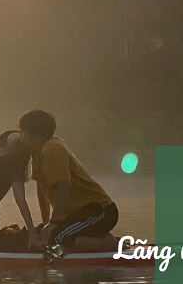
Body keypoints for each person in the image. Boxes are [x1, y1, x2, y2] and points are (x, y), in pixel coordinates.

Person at [18, 109, 119, 256]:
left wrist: (54, 223)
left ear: (37, 136)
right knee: (43, 233)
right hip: (79, 214)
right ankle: (98, 239)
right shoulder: (36, 150)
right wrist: (47, 222)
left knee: (56, 239)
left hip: (99, 211)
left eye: (23, 133)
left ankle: (109, 243)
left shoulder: (52, 149)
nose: (20, 136)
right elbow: (43, 189)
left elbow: (64, 186)